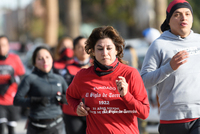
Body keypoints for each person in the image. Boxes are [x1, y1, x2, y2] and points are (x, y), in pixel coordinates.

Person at [66, 26, 150, 134]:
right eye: (100, 49)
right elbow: (70, 96)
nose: (104, 53)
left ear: (116, 50)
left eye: (109, 48)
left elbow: (144, 113)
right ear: (93, 51)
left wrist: (126, 95)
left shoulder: (130, 74)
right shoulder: (83, 76)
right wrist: (77, 107)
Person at [140, 0, 200, 134]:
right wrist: (169, 67)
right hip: (172, 119)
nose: (183, 17)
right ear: (168, 20)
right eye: (177, 14)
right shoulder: (159, 45)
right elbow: (143, 81)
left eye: (187, 14)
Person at [13, 46, 68, 134]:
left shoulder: (59, 79)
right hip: (36, 126)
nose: (45, 61)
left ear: (52, 59)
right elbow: (17, 100)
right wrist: (34, 100)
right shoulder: (30, 78)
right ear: (35, 63)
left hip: (57, 125)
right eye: (40, 58)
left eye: (47, 57)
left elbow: (71, 98)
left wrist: (64, 99)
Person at [62, 36, 91, 134]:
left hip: (93, 112)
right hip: (72, 112)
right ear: (74, 50)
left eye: (86, 46)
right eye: (80, 47)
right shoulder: (66, 69)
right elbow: (65, 91)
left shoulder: (97, 67)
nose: (83, 50)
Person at [0, 35, 25, 134]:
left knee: (11, 129)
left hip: (12, 99)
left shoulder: (15, 58)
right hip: (0, 101)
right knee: (1, 128)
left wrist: (15, 79)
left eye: (3, 45)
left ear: (8, 46)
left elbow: (23, 77)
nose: (1, 48)